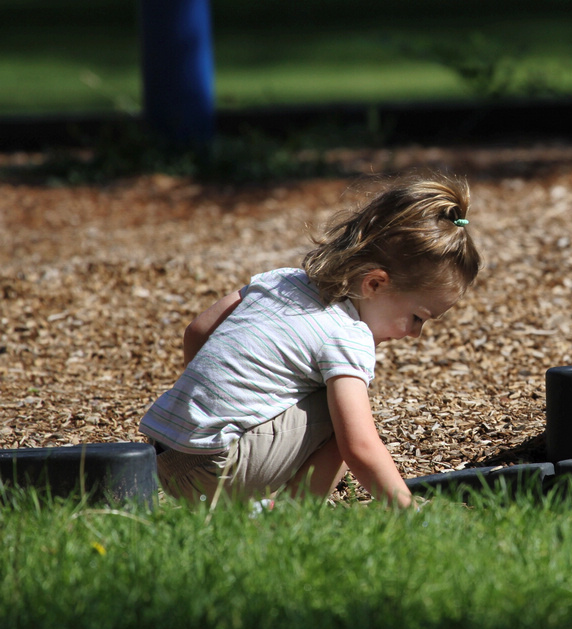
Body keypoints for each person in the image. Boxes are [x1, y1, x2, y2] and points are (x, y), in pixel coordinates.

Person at [140, 174, 481, 508]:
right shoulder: (348, 333)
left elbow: (197, 331)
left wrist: (207, 409)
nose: (414, 334)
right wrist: (408, 510)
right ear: (375, 284)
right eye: (417, 318)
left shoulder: (280, 280)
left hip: (162, 454)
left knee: (334, 398)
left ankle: (250, 502)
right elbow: (359, 446)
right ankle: (290, 514)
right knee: (344, 416)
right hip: (217, 469)